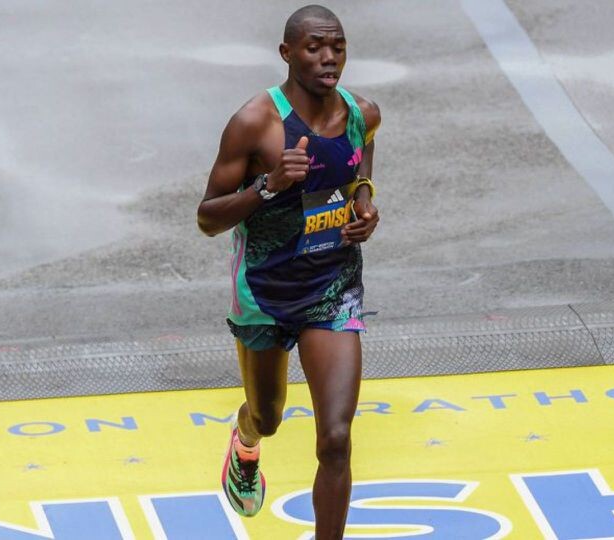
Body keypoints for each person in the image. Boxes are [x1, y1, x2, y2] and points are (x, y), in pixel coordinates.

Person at [196, 4, 381, 538]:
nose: (329, 58)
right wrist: (269, 185)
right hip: (265, 291)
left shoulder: (362, 113)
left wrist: (364, 200)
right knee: (268, 416)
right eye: (314, 47)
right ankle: (245, 443)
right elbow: (207, 218)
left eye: (337, 47)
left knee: (336, 440)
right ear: (286, 53)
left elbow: (361, 161)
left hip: (332, 286)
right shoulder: (255, 123)